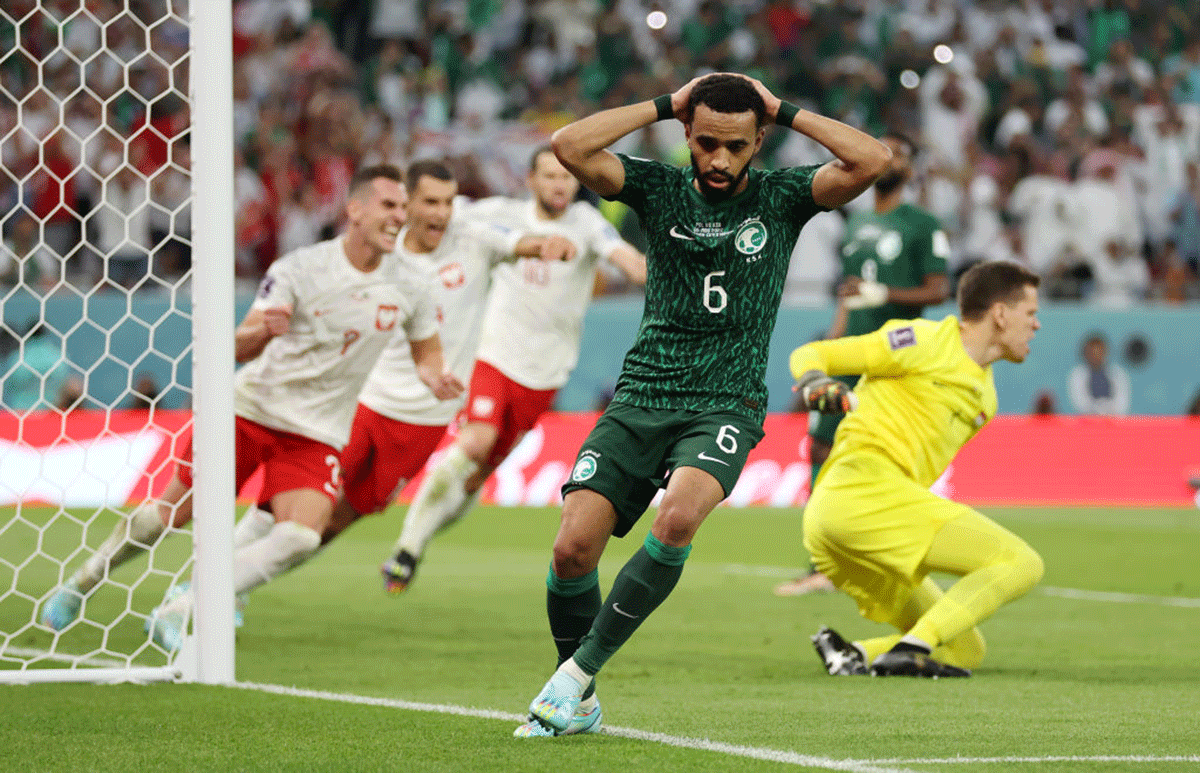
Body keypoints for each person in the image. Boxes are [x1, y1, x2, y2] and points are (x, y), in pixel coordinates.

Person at [514, 72, 891, 738]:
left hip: (726, 399)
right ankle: (583, 693)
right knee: (572, 550)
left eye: (737, 146)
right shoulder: (657, 187)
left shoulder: (782, 197)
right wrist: (664, 102)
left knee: (678, 518)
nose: (719, 160)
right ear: (687, 132)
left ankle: (570, 679)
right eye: (707, 142)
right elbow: (569, 145)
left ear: (758, 141)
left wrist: (784, 108)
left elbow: (872, 160)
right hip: (643, 393)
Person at [40, 164, 464, 647]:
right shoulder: (301, 269)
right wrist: (261, 330)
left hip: (316, 431)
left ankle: (181, 609)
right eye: (390, 206)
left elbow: (426, 352)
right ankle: (83, 582)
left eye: (403, 209)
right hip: (251, 410)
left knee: (301, 537)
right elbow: (236, 347)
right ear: (355, 209)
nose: (399, 217)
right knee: (167, 517)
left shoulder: (412, 283)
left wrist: (435, 377)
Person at [249, 159, 582, 558]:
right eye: (430, 202)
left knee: (335, 523)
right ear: (407, 205)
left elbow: (521, 242)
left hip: (424, 423)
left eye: (447, 202)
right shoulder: (382, 253)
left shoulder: (473, 239)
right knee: (286, 506)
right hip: (363, 404)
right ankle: (205, 592)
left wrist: (548, 245)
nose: (441, 213)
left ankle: (242, 582)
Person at [378, 146, 647, 593]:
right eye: (548, 175)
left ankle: (416, 544)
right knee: (476, 441)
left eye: (565, 177)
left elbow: (624, 257)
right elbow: (440, 210)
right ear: (530, 180)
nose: (558, 184)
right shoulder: (501, 214)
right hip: (493, 356)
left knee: (478, 476)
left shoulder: (586, 224)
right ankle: (406, 547)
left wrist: (651, 272)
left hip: (545, 374)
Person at [801, 260, 1045, 679]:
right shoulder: (920, 340)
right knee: (1021, 562)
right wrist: (813, 380)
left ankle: (853, 653)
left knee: (965, 648)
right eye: (1031, 313)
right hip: (858, 492)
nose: (1037, 326)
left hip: (852, 521)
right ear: (1000, 314)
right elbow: (817, 352)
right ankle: (913, 645)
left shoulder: (986, 398)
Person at [774, 131, 950, 598]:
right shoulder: (853, 224)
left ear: (908, 170)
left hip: (894, 356)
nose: (891, 158)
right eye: (884, 149)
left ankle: (889, 560)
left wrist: (886, 295)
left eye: (901, 152)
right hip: (850, 349)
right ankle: (821, 563)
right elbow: (848, 292)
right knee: (819, 446)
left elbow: (939, 290)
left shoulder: (922, 224)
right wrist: (831, 345)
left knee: (885, 458)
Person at [1067, 332, 1131, 416]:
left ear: (1105, 352)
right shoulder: (1077, 375)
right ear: (1086, 353)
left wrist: (1107, 410)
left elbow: (1122, 403)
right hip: (1087, 422)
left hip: (1114, 422)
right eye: (1092, 352)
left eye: (1099, 351)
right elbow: (1080, 403)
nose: (1096, 355)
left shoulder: (1117, 373)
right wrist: (1098, 410)